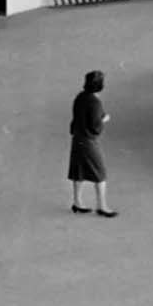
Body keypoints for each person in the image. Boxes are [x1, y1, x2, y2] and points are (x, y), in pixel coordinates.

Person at [68, 70, 116, 217]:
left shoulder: (80, 97)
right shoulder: (95, 102)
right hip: (88, 142)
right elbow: (95, 127)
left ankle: (77, 202)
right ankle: (102, 206)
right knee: (100, 173)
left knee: (78, 171)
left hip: (77, 139)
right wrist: (105, 119)